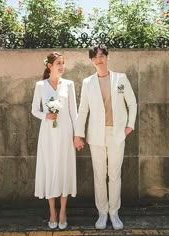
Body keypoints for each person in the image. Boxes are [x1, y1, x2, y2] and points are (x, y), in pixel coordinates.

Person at [74, 44, 137, 230]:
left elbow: (132, 103)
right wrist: (79, 134)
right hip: (96, 135)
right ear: (91, 60)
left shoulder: (121, 78)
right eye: (95, 57)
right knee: (99, 176)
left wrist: (129, 126)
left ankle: (114, 213)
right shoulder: (88, 82)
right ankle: (102, 213)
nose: (98, 59)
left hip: (117, 134)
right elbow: (83, 110)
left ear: (107, 57)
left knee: (115, 175)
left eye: (102, 55)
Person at [31, 52, 77, 230]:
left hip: (65, 132)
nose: (62, 66)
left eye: (63, 63)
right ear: (49, 66)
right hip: (48, 133)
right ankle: (52, 212)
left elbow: (74, 112)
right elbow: (34, 110)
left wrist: (77, 135)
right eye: (58, 63)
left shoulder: (69, 85)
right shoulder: (40, 85)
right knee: (50, 168)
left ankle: (63, 211)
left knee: (64, 168)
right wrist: (46, 115)